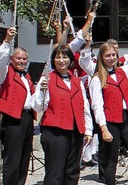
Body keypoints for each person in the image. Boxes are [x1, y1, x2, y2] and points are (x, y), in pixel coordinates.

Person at [89, 33, 128, 185]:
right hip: (110, 121)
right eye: (107, 55)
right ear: (101, 58)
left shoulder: (123, 71)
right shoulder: (97, 79)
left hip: (126, 119)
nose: (111, 58)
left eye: (113, 55)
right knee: (112, 161)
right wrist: (103, 128)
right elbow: (97, 105)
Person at [32, 45, 93, 185]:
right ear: (53, 60)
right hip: (55, 132)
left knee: (72, 172)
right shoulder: (46, 79)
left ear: (70, 60)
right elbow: (37, 106)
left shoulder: (77, 81)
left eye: (64, 57)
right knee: (55, 173)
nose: (61, 60)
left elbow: (84, 107)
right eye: (58, 57)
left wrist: (88, 130)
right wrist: (41, 91)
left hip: (75, 132)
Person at [0, 27, 35, 184]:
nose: (21, 61)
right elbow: (1, 58)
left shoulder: (27, 76)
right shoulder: (5, 72)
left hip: (27, 118)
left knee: (24, 158)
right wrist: (7, 41)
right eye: (18, 59)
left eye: (24, 59)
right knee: (12, 159)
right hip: (13, 119)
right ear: (12, 60)